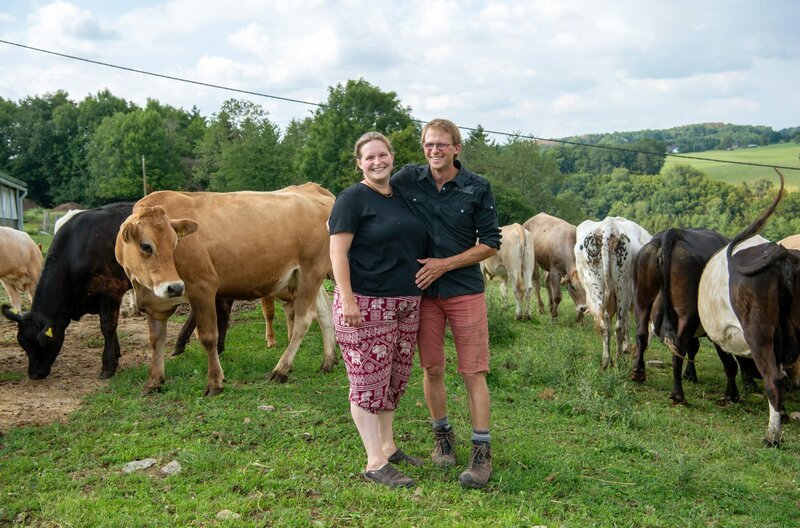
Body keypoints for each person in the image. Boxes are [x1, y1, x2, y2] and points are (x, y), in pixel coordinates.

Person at [391, 118, 501, 489]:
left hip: (464, 290)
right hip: (423, 294)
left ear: (456, 148)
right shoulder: (408, 179)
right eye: (428, 145)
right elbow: (372, 188)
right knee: (432, 368)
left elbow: (489, 243)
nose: (434, 151)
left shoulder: (477, 187)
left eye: (441, 145)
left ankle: (481, 453)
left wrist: (444, 264)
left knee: (473, 371)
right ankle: (442, 439)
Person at [329, 131, 428, 488]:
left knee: (393, 380)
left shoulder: (401, 196)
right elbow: (337, 252)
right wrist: (349, 298)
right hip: (366, 303)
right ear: (359, 163)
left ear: (392, 156)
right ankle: (374, 462)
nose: (377, 162)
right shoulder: (352, 199)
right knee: (367, 382)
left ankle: (388, 446)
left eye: (382, 155)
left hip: (405, 301)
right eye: (369, 157)